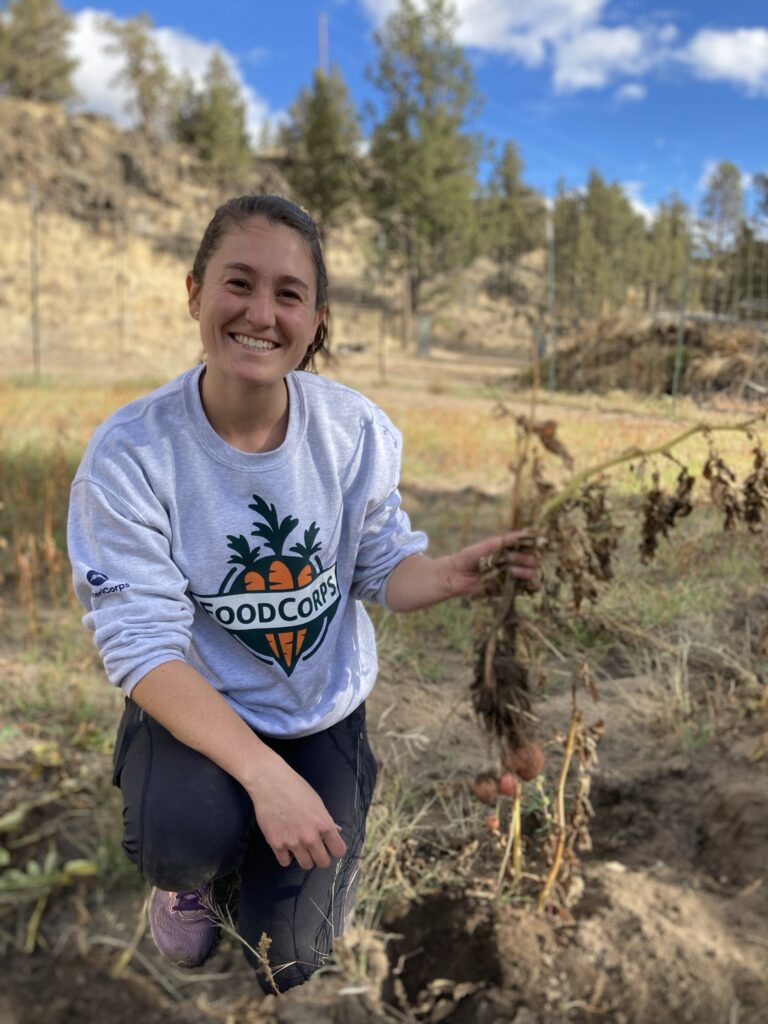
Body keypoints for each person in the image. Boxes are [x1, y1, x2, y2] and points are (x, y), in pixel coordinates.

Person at [67, 194, 538, 993]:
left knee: (290, 959)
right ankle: (190, 875)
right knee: (182, 835)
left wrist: (447, 574)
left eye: (288, 294)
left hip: (320, 707)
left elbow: (380, 564)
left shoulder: (354, 432)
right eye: (238, 283)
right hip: (202, 703)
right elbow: (141, 647)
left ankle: (275, 831)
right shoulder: (131, 456)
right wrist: (264, 775)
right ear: (194, 294)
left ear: (316, 320)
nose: (261, 313)